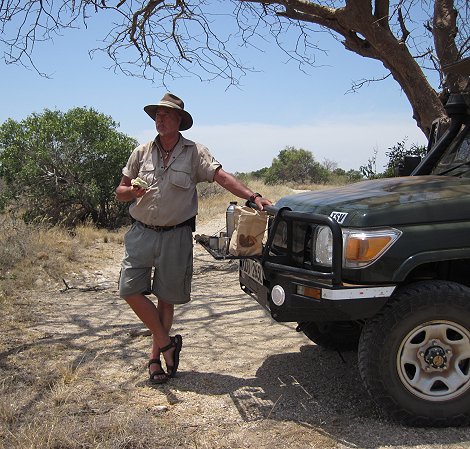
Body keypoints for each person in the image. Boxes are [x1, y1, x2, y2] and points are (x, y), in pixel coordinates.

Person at [115, 93, 272, 384]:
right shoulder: (141, 152)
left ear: (179, 121)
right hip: (141, 234)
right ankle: (166, 343)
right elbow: (120, 191)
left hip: (176, 235)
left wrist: (253, 196)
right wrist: (132, 193)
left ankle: (155, 359)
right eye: (157, 115)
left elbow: (222, 177)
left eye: (166, 115)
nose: (159, 119)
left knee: (166, 297)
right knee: (129, 290)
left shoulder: (195, 153)